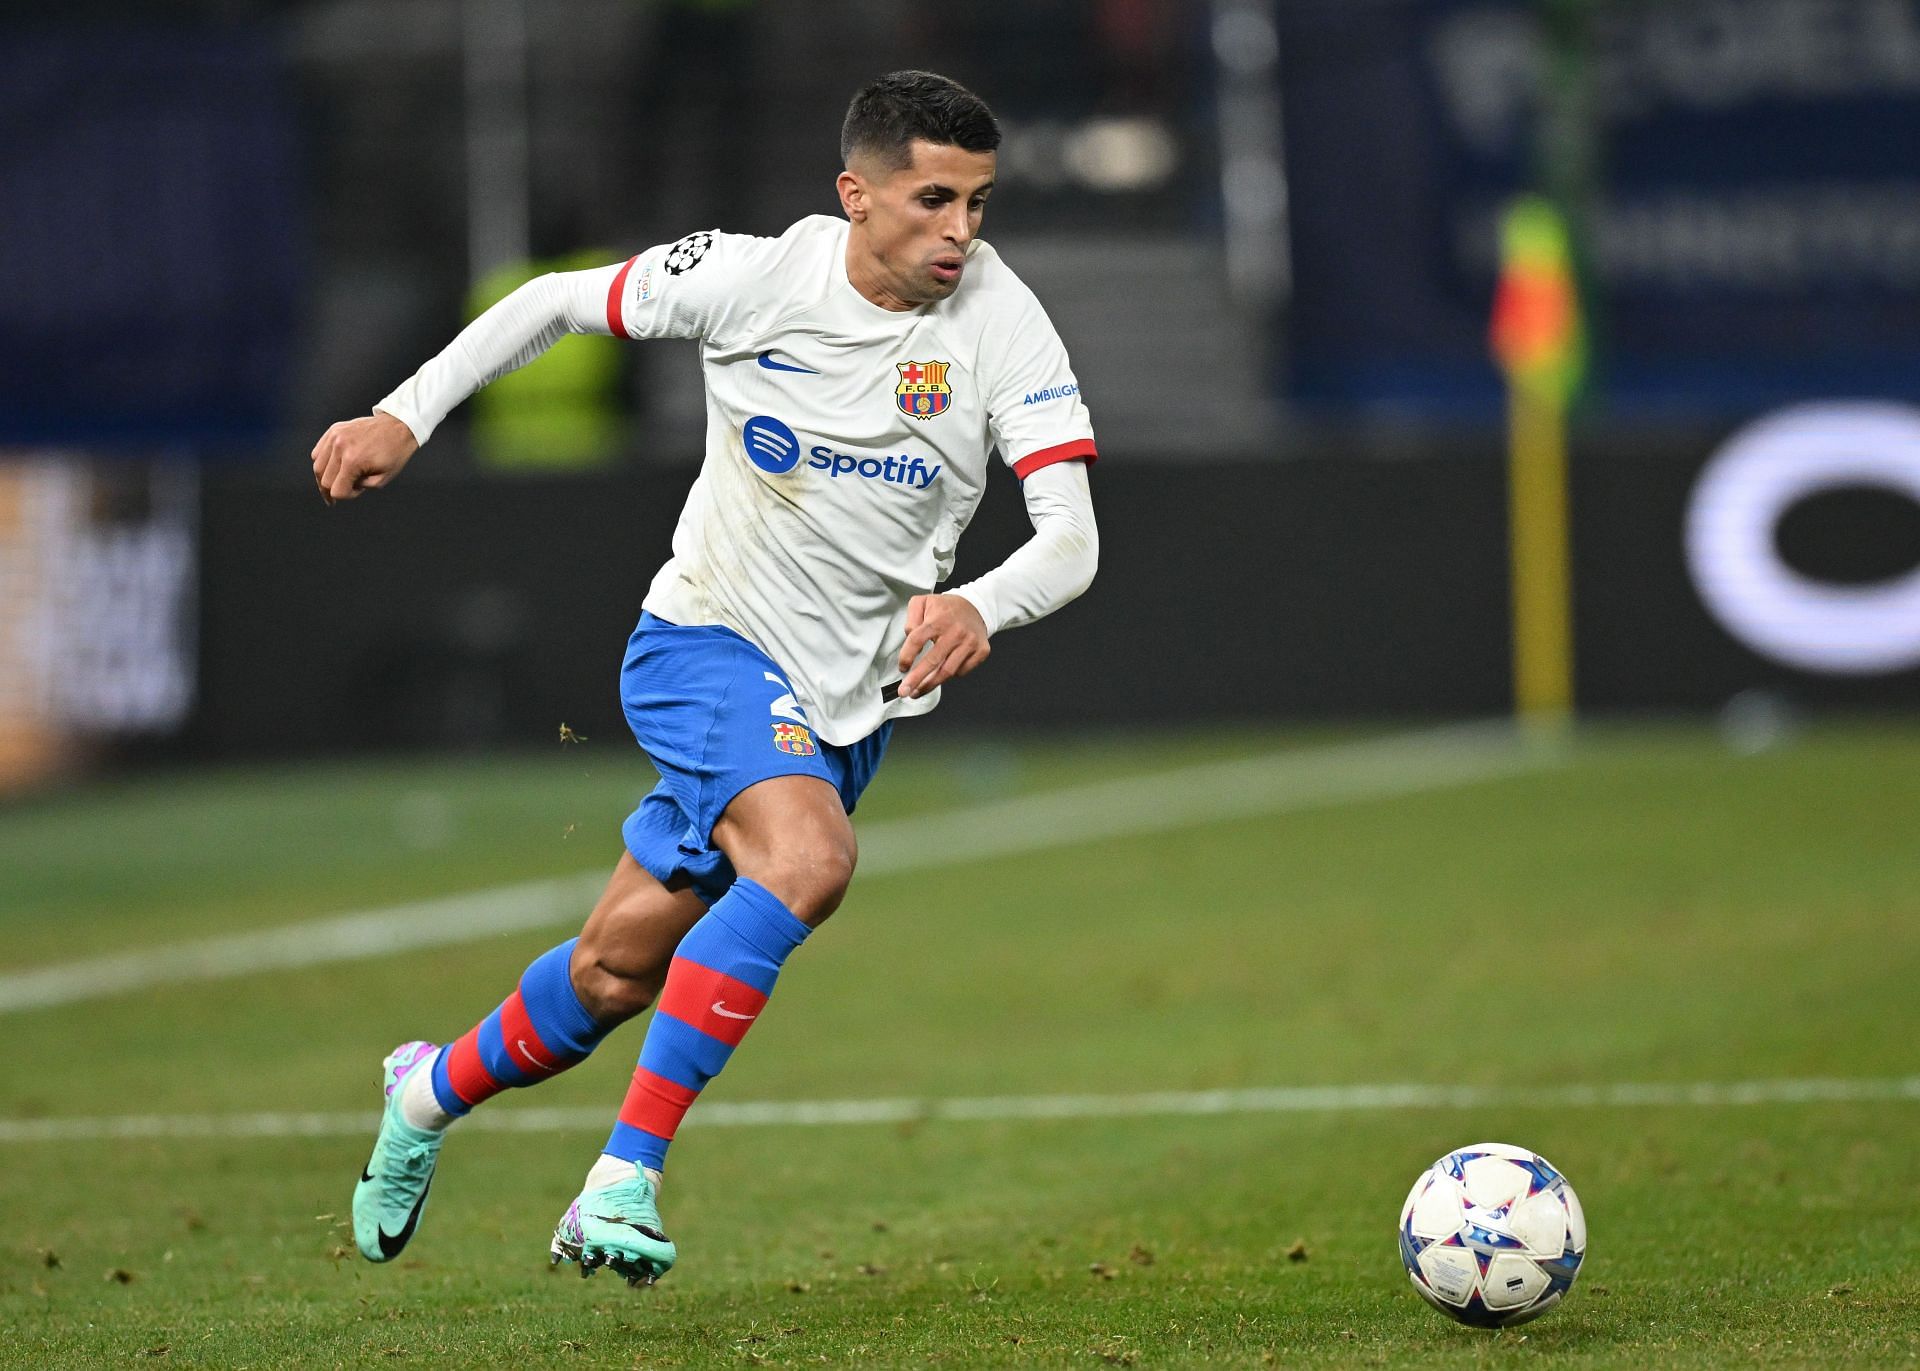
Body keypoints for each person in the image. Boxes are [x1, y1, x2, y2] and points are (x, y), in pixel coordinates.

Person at [312, 70, 1099, 1286]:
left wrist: (978, 602)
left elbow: (1071, 537)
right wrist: (403, 417)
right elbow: (556, 302)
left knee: (613, 971)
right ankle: (621, 1180)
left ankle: (425, 1094)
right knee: (810, 863)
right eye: (934, 199)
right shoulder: (752, 277)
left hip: (850, 703)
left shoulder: (1001, 320)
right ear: (857, 195)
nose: (961, 232)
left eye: (979, 204)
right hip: (706, 643)